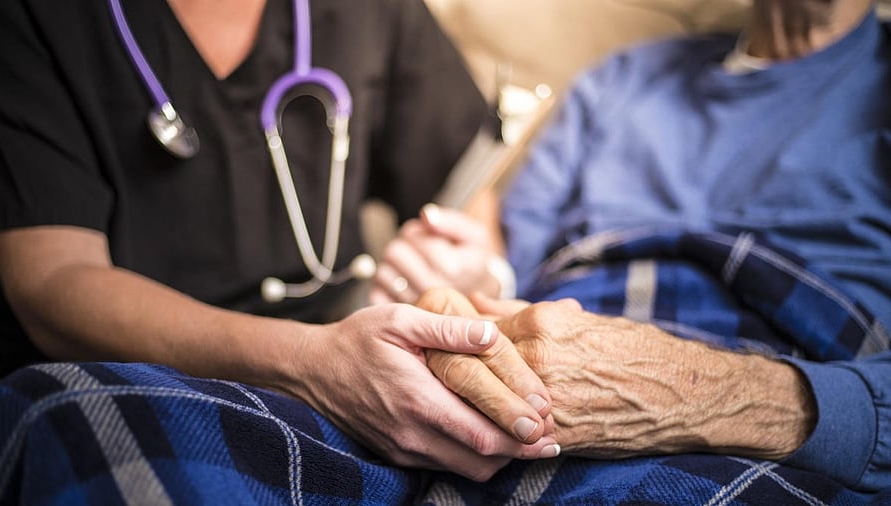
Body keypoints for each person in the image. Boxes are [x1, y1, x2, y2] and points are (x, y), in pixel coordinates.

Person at [0, 0, 564, 496]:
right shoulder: (34, 19)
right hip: (130, 381)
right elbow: (51, 280)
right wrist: (313, 364)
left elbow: (466, 184)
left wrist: (473, 267)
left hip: (354, 374)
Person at [378, 0, 891, 499]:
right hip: (556, 348)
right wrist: (475, 279)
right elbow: (515, 265)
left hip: (794, 377)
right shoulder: (622, 78)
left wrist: (701, 395)